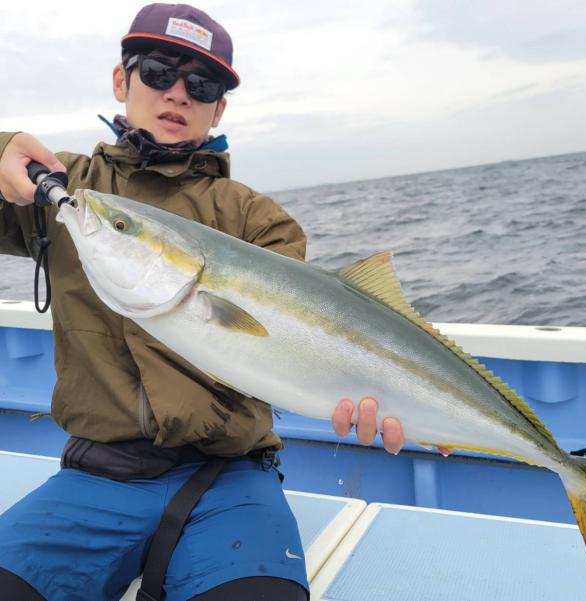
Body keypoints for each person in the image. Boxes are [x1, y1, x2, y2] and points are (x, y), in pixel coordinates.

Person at [0, 4, 405, 600]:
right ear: (121, 80)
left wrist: (361, 388)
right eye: (158, 72)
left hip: (232, 475)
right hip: (97, 474)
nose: (178, 93)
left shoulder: (256, 218)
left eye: (203, 85)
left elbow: (298, 334)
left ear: (219, 109)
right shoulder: (64, 189)